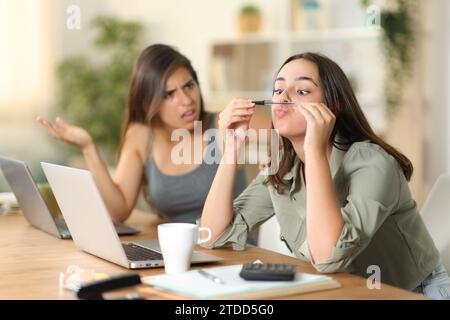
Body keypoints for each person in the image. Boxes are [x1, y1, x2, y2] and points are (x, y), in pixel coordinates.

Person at [200, 52, 450, 299]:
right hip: (343, 290)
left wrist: (314, 151)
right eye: (278, 90)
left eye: (302, 91)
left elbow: (328, 258)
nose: (283, 98)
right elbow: (212, 237)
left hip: (411, 293)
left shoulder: (373, 163)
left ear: (333, 105)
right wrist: (231, 151)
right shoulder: (283, 167)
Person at [37, 44, 266, 228]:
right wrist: (88, 149)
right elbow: (120, 210)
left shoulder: (227, 123)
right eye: (169, 94)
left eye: (189, 85)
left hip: (233, 254)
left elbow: (288, 128)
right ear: (148, 101)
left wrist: (282, 154)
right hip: (179, 254)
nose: (186, 100)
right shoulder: (141, 136)